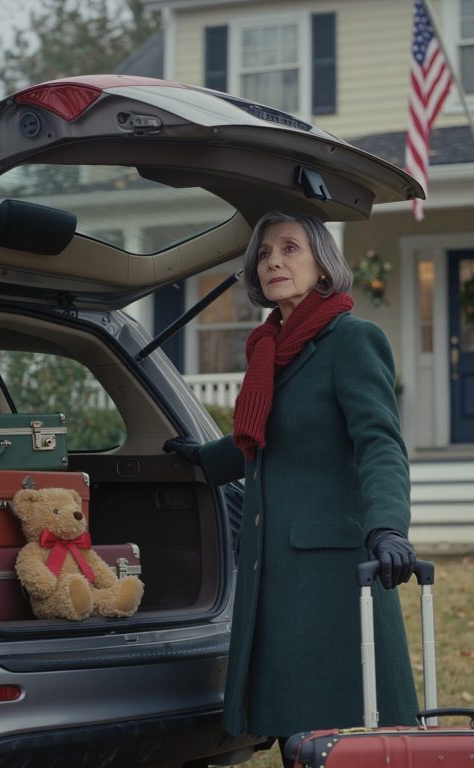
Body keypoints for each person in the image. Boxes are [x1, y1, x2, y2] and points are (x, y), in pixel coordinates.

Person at [164, 211, 418, 766]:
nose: (274, 260)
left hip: (332, 573)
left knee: (349, 732)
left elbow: (380, 442)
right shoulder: (269, 351)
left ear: (323, 265)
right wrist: (202, 462)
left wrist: (388, 526)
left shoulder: (352, 340)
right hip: (272, 570)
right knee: (294, 734)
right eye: (264, 254)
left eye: (290, 248)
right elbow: (265, 438)